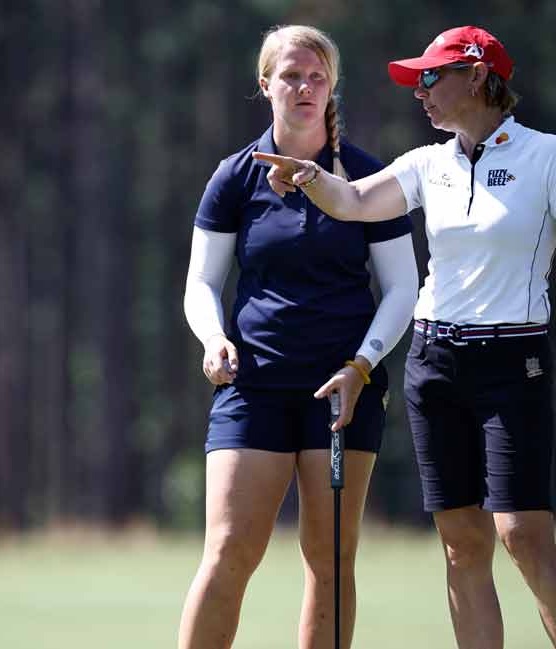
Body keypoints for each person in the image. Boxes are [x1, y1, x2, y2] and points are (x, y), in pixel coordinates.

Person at [254, 25, 556, 649]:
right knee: (461, 544)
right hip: (435, 362)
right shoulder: (429, 162)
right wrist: (308, 177)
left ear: (477, 76)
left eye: (431, 77)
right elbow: (351, 202)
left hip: (515, 362)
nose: (420, 92)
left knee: (523, 536)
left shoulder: (548, 155)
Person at [177, 24, 418, 649]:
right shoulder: (235, 177)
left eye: (316, 76)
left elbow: (402, 291)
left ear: (332, 86)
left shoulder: (368, 180)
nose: (304, 87)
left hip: (343, 392)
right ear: (266, 85)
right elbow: (202, 281)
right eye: (290, 76)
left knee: (330, 558)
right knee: (229, 549)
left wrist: (362, 366)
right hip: (252, 385)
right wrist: (212, 338)